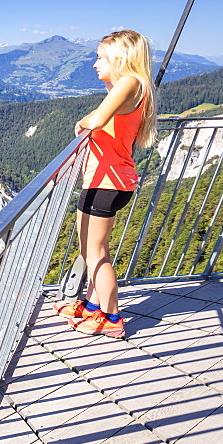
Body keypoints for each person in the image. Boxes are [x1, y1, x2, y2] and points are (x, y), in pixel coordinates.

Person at [54, 29, 157, 338]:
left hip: (108, 183)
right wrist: (86, 119)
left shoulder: (129, 82)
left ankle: (112, 319)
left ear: (121, 59)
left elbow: (97, 120)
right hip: (106, 181)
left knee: (96, 252)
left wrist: (84, 123)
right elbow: (102, 114)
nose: (94, 64)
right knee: (91, 249)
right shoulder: (129, 86)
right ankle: (92, 307)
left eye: (101, 57)